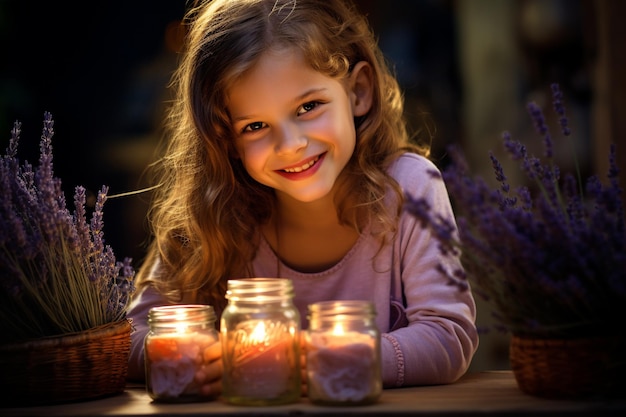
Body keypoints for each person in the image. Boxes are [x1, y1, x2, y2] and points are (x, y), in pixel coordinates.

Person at [126, 0, 479, 397]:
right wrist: (204, 357)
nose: (291, 145)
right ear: (225, 141)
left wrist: (312, 359)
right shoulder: (213, 214)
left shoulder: (409, 189)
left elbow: (448, 338)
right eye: (255, 126)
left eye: (309, 107)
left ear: (358, 92)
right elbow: (131, 337)